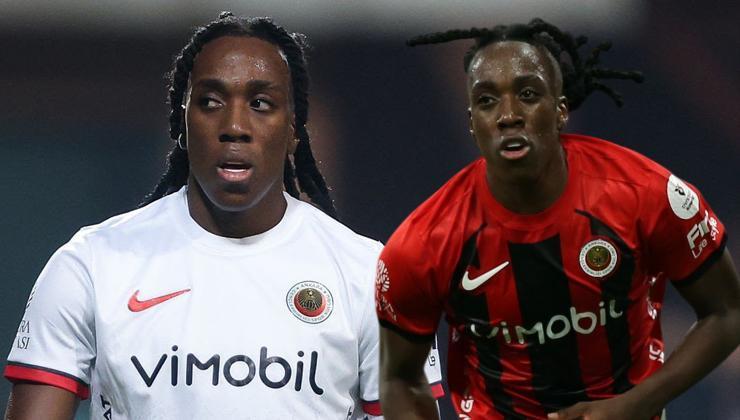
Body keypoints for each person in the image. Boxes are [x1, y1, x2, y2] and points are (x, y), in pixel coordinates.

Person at [4, 13, 442, 419]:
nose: (234, 126)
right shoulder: (92, 264)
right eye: (211, 102)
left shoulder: (373, 278)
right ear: (183, 123)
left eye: (261, 103)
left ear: (294, 129)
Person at [376, 18, 740, 420]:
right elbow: (399, 380)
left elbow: (727, 312)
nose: (508, 115)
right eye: (487, 101)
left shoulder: (646, 195)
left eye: (528, 94)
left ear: (561, 109)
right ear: (472, 122)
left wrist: (639, 403)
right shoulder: (423, 242)